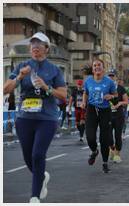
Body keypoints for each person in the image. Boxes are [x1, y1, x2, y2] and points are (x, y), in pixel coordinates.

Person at [3, 32, 67, 203]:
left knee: (38, 155)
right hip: (24, 118)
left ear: (46, 49)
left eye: (39, 45)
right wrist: (20, 77)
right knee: (28, 157)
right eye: (33, 45)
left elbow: (63, 95)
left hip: (46, 118)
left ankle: (34, 197)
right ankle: (42, 176)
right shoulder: (22, 66)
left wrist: (47, 88)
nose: (35, 47)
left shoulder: (53, 70)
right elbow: (5, 89)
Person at [81, 58, 117, 173]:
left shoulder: (109, 82)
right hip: (91, 109)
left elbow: (115, 94)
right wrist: (83, 102)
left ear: (103, 68)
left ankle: (105, 163)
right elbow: (85, 93)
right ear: (92, 69)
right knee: (90, 136)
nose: (97, 67)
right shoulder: (88, 81)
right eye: (95, 65)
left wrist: (111, 97)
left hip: (105, 110)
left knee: (104, 138)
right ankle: (94, 151)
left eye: (99, 65)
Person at [108, 70, 129, 163]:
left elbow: (126, 101)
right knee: (108, 137)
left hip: (118, 116)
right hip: (107, 115)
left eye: (112, 76)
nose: (111, 78)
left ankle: (117, 154)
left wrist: (119, 103)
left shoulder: (120, 88)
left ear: (116, 77)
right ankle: (112, 148)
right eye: (109, 76)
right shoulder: (105, 88)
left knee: (117, 136)